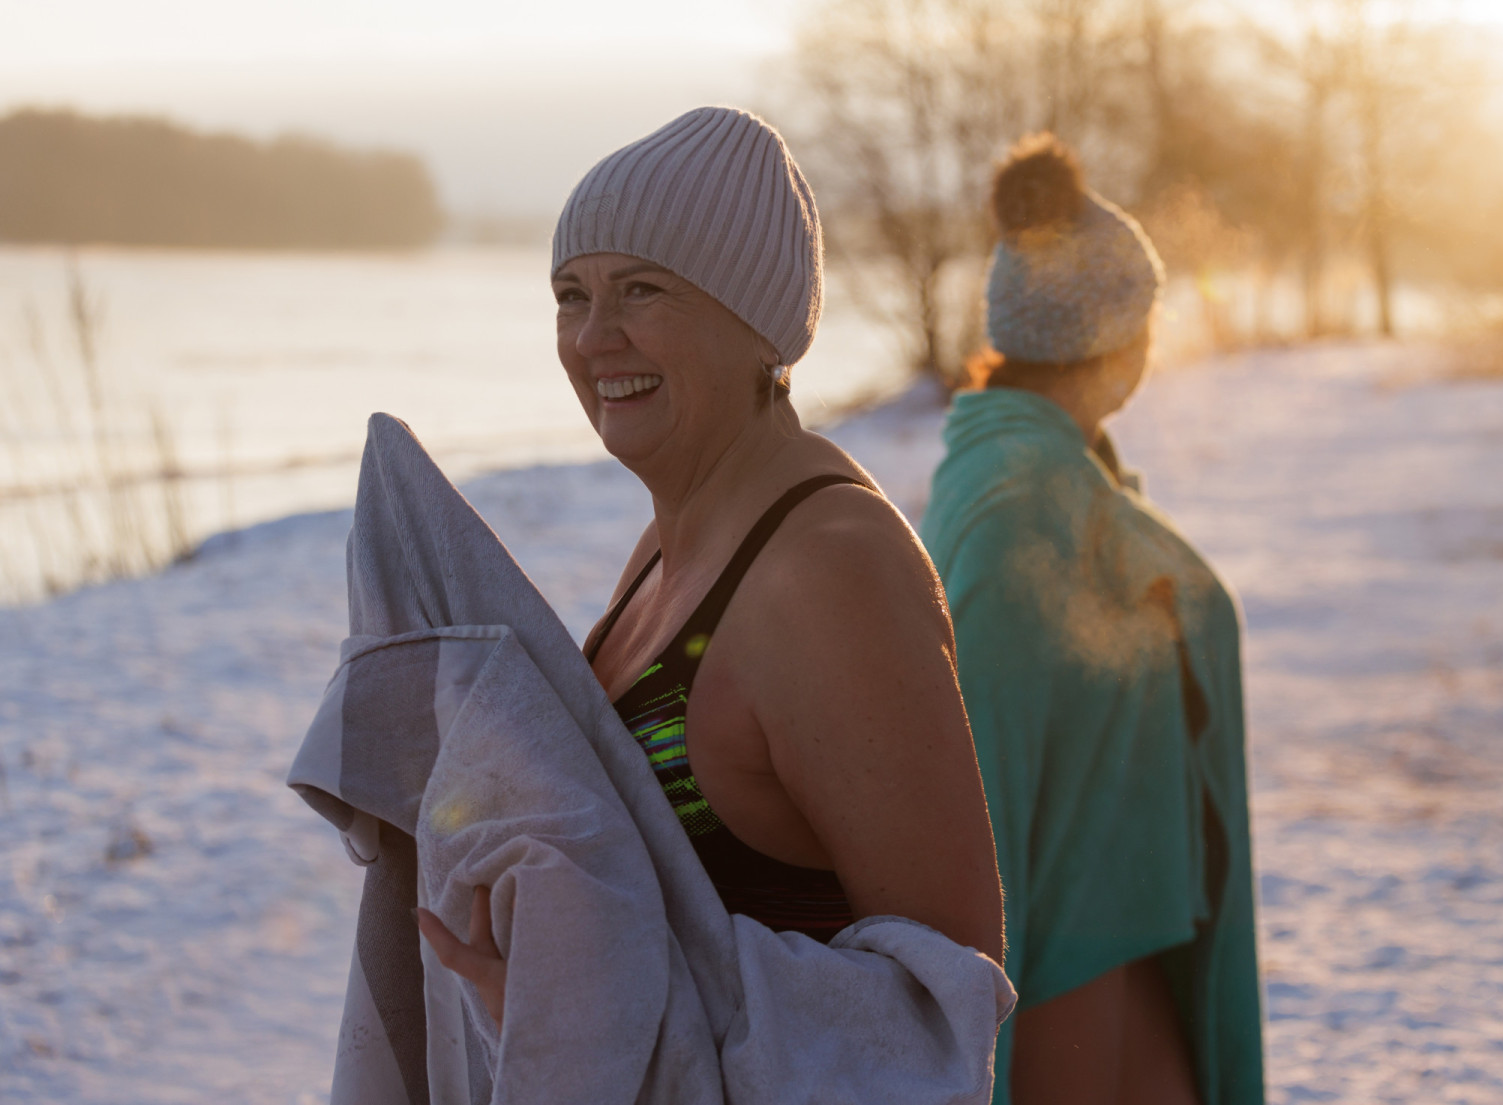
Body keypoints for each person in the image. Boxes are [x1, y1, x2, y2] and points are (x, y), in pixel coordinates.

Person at [418, 105, 1004, 1020]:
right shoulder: (670, 540)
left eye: (643, 290)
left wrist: (593, 1010)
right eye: (572, 295)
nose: (592, 336)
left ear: (758, 325)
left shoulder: (828, 571)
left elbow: (948, 994)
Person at [920, 133, 1264, 1105]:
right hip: (1066, 964)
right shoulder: (1025, 504)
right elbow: (987, 765)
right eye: (1145, 324)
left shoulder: (1042, 475)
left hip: (1127, 935)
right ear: (1110, 340)